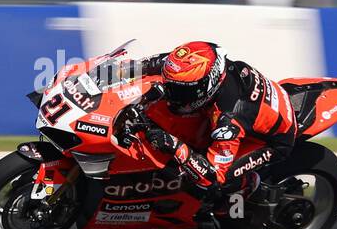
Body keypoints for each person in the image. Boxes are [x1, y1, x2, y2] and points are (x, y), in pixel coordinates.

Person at [118, 41, 296, 209]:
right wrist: (104, 75)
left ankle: (251, 191)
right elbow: (140, 67)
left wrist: (175, 145)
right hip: (250, 107)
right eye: (170, 85)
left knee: (219, 184)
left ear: (208, 85)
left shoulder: (228, 122)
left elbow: (214, 175)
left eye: (182, 91)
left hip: (270, 140)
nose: (172, 95)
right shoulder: (187, 68)